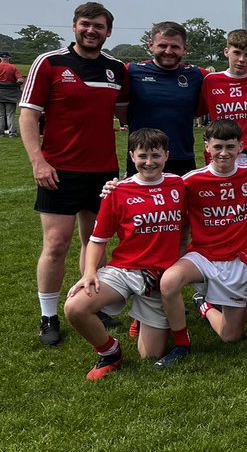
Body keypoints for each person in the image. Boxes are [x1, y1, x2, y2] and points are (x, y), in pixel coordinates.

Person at [20, 2, 129, 346]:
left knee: (94, 242)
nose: (91, 30)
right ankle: (49, 315)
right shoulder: (49, 62)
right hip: (59, 170)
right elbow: (28, 116)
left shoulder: (116, 69)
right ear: (74, 27)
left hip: (103, 172)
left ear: (108, 32)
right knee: (56, 244)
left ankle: (89, 303)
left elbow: (126, 115)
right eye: (86, 24)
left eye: (98, 26)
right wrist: (38, 161)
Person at [63, 129, 187, 380]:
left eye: (155, 155)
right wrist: (89, 273)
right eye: (142, 156)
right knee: (75, 307)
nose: (149, 162)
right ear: (132, 156)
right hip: (123, 270)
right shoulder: (118, 191)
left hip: (157, 280)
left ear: (167, 156)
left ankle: (140, 318)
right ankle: (110, 352)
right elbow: (97, 240)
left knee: (150, 355)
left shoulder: (180, 184)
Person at [159, 120, 247, 366]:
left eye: (230, 146)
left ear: (241, 146)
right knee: (169, 281)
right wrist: (116, 187)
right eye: (217, 147)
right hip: (203, 255)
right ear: (206, 146)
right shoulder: (191, 181)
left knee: (230, 337)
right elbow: (153, 191)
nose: (224, 153)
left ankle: (204, 305)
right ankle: (182, 343)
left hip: (237, 259)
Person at [125, 22, 207, 177]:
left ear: (185, 48)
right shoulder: (131, 71)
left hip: (182, 158)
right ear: (151, 45)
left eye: (175, 47)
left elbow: (231, 76)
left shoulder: (197, 74)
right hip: (143, 158)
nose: (168, 51)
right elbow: (120, 110)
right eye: (162, 46)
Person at [200, 29, 247, 167]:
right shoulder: (210, 80)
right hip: (220, 150)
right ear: (226, 51)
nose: (242, 59)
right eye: (237, 53)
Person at [0, 50, 24, 137]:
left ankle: (1, 133)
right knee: (10, 114)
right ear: (9, 58)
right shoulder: (13, 67)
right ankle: (12, 133)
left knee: (1, 115)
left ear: (0, 58)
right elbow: (20, 80)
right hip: (10, 93)